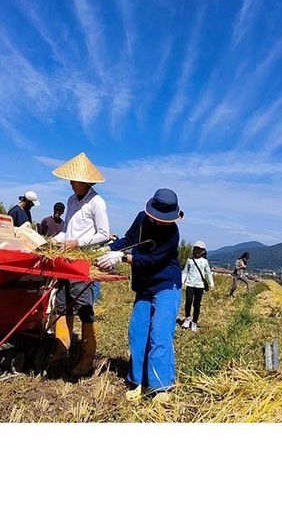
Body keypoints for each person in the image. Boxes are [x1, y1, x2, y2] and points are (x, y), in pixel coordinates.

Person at [97, 188, 184, 402]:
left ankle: (160, 386)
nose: (163, 222)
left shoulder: (173, 234)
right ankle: (137, 380)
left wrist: (123, 259)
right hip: (145, 285)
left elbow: (152, 260)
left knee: (160, 334)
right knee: (138, 331)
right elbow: (128, 239)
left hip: (166, 285)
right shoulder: (142, 218)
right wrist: (108, 249)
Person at [50, 153, 110, 377]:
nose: (71, 183)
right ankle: (61, 348)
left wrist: (79, 242)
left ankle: (87, 358)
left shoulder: (97, 202)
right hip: (66, 260)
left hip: (82, 262)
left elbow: (103, 234)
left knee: (84, 308)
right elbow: (67, 230)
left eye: (74, 180)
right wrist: (54, 240)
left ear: (86, 181)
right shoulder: (71, 201)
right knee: (62, 304)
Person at [181, 241, 214, 331]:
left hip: (200, 286)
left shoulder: (204, 261)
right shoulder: (189, 260)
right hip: (190, 284)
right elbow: (185, 272)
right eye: (196, 249)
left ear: (203, 251)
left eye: (200, 249)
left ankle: (194, 322)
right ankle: (187, 318)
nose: (197, 251)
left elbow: (208, 273)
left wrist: (211, 284)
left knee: (197, 304)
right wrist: (182, 282)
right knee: (188, 301)